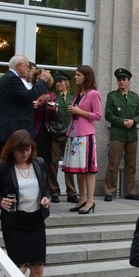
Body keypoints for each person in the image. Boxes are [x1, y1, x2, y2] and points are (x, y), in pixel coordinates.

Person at [0, 130, 51, 277]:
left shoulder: (39, 164)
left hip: (36, 221)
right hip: (14, 223)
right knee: (19, 268)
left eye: (28, 149)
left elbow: (46, 188)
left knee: (37, 268)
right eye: (20, 151)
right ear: (12, 150)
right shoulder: (4, 167)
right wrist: (1, 202)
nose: (25, 154)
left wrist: (46, 199)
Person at [62, 65, 102, 215]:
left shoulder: (94, 94)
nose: (75, 77)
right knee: (79, 170)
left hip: (86, 136)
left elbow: (98, 115)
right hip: (74, 134)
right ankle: (82, 198)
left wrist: (79, 111)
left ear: (86, 76)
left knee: (89, 170)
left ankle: (90, 200)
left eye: (78, 75)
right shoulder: (78, 94)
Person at [0, 55, 52, 151]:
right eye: (27, 66)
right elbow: (29, 96)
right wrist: (42, 80)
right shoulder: (11, 78)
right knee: (15, 162)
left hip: (13, 130)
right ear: (19, 66)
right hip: (14, 131)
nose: (29, 70)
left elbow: (18, 101)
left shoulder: (9, 78)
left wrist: (30, 105)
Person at [104, 68, 139, 201]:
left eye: (124, 79)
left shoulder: (134, 96)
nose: (121, 82)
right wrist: (122, 122)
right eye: (119, 79)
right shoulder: (112, 96)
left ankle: (130, 192)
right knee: (113, 163)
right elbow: (108, 115)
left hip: (132, 135)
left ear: (128, 81)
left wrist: (134, 121)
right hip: (117, 135)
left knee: (131, 165)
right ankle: (109, 191)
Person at [48, 71, 77, 204]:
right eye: (57, 81)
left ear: (67, 83)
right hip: (55, 135)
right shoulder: (52, 97)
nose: (58, 83)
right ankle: (54, 192)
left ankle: (71, 192)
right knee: (52, 164)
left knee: (69, 164)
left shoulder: (73, 98)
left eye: (61, 81)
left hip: (70, 135)